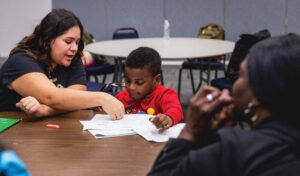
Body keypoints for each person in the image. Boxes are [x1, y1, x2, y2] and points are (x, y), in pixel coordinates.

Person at [148, 34, 300, 175]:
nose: (233, 86)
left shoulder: (231, 153)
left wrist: (189, 132)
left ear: (257, 94)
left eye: (240, 76)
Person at [0, 9, 124, 120]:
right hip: (11, 133)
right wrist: (102, 98)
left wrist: (45, 110)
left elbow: (75, 99)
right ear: (47, 39)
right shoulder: (20, 61)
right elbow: (52, 97)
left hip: (49, 132)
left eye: (77, 42)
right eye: (68, 41)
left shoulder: (72, 59)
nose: (74, 48)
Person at [115, 47, 183, 129]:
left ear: (156, 80)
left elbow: (176, 110)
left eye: (139, 83)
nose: (131, 87)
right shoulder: (122, 97)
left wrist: (168, 118)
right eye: (128, 81)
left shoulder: (164, 95)